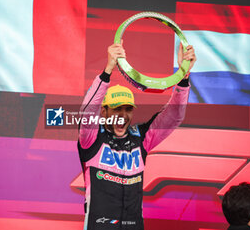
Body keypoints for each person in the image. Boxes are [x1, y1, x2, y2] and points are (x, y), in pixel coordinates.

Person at [77, 42, 196, 230]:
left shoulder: (141, 137)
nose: (123, 115)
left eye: (128, 109)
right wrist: (108, 70)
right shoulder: (92, 138)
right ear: (105, 111)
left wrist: (183, 76)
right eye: (117, 109)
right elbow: (87, 113)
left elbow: (173, 116)